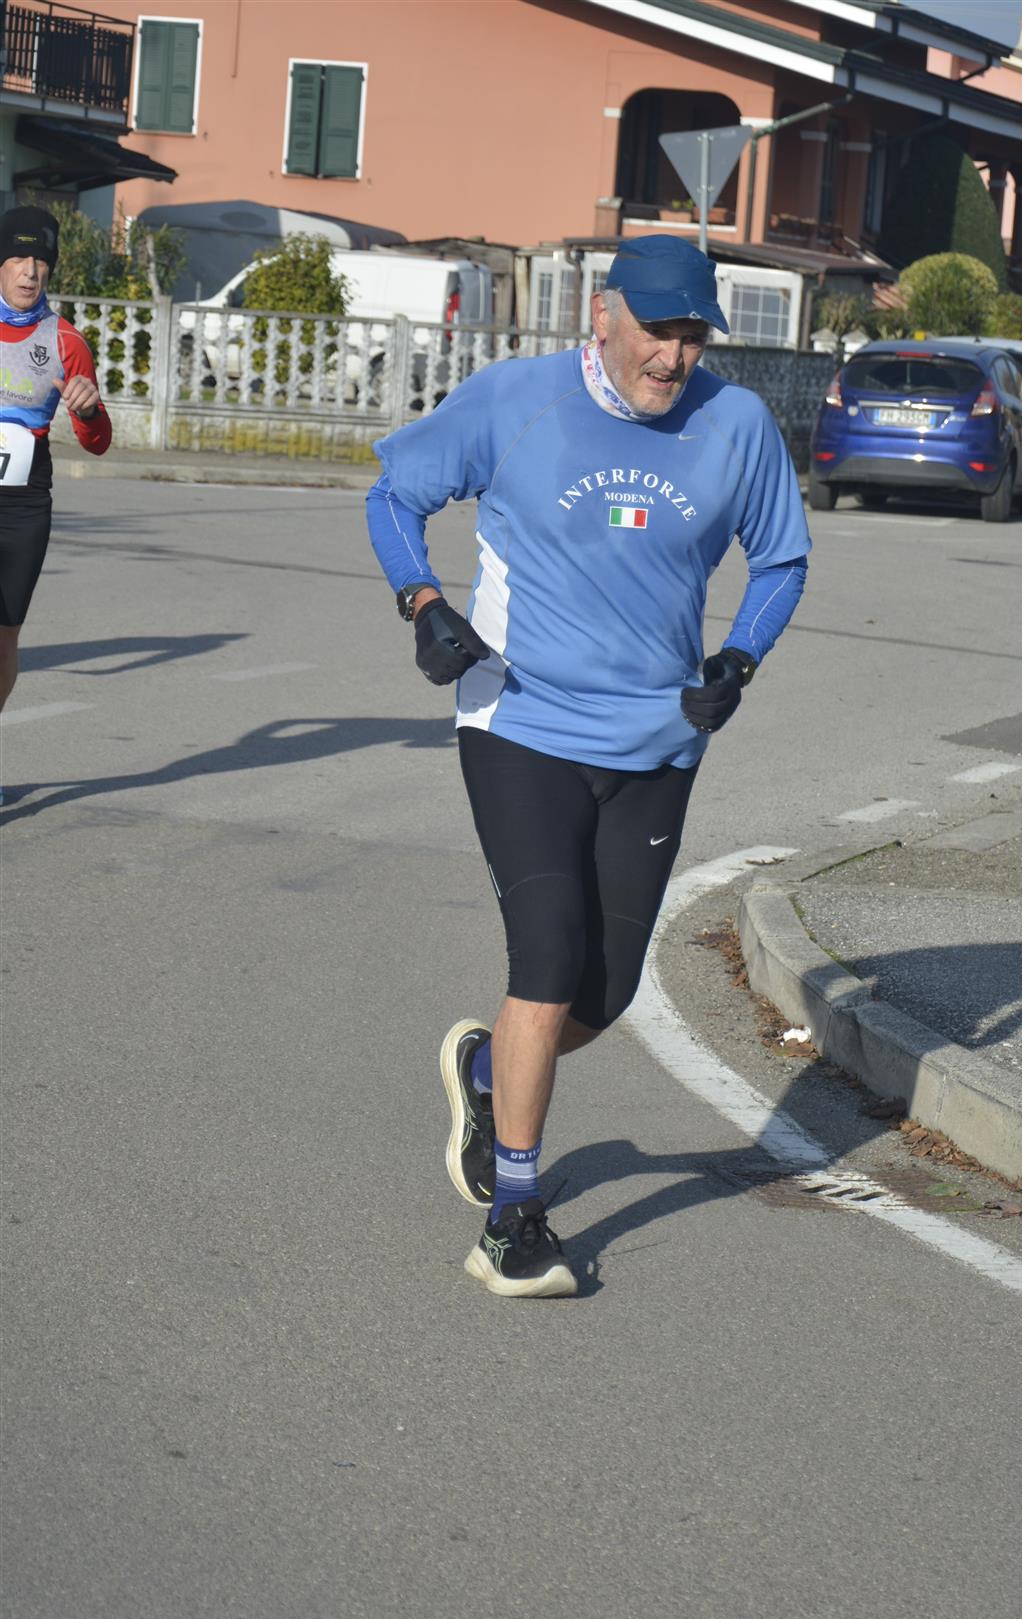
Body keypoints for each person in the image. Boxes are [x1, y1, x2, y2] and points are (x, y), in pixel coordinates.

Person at [366, 235, 808, 1298]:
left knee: (603, 996)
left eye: (692, 336)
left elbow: (782, 560)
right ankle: (514, 1220)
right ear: (601, 315)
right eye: (656, 331)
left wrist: (738, 660)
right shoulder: (514, 400)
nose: (673, 357)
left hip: (657, 741)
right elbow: (393, 495)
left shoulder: (735, 424)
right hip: (519, 721)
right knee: (549, 954)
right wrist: (423, 605)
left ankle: (486, 1072)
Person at [0, 205, 112, 759]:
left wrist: (88, 411)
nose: (30, 271)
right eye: (18, 257)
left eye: (41, 260)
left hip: (23, 501)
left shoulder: (66, 340)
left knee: (3, 635)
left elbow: (98, 441)